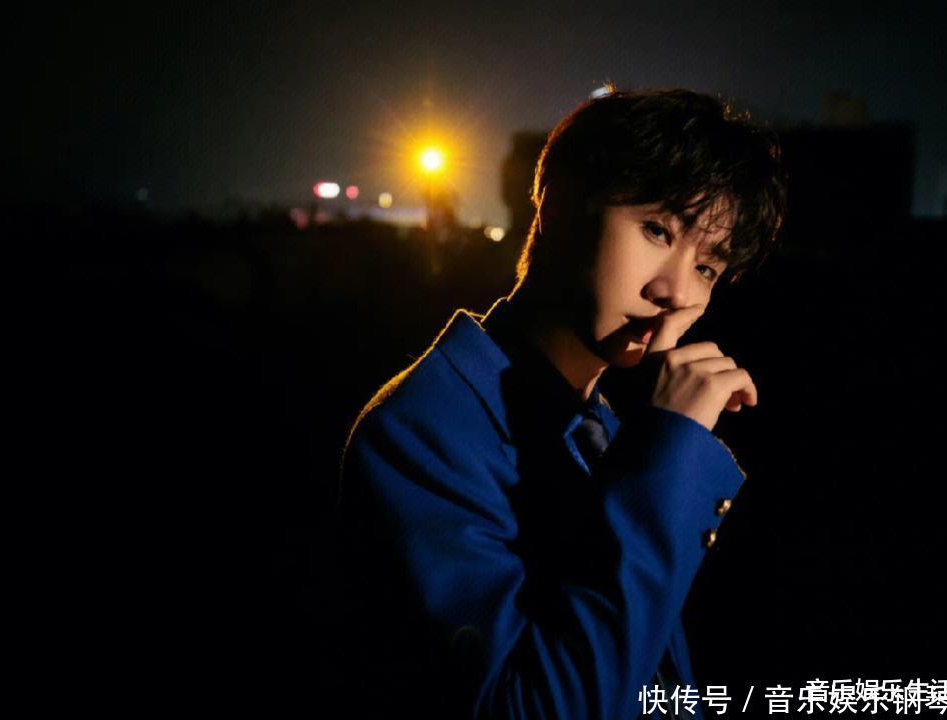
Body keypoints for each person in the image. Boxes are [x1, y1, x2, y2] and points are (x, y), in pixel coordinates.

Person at [334, 87, 787, 720]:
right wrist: (670, 454)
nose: (677, 292)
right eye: (657, 230)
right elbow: (534, 708)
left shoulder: (603, 428)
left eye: (707, 269)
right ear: (558, 205)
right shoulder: (419, 432)